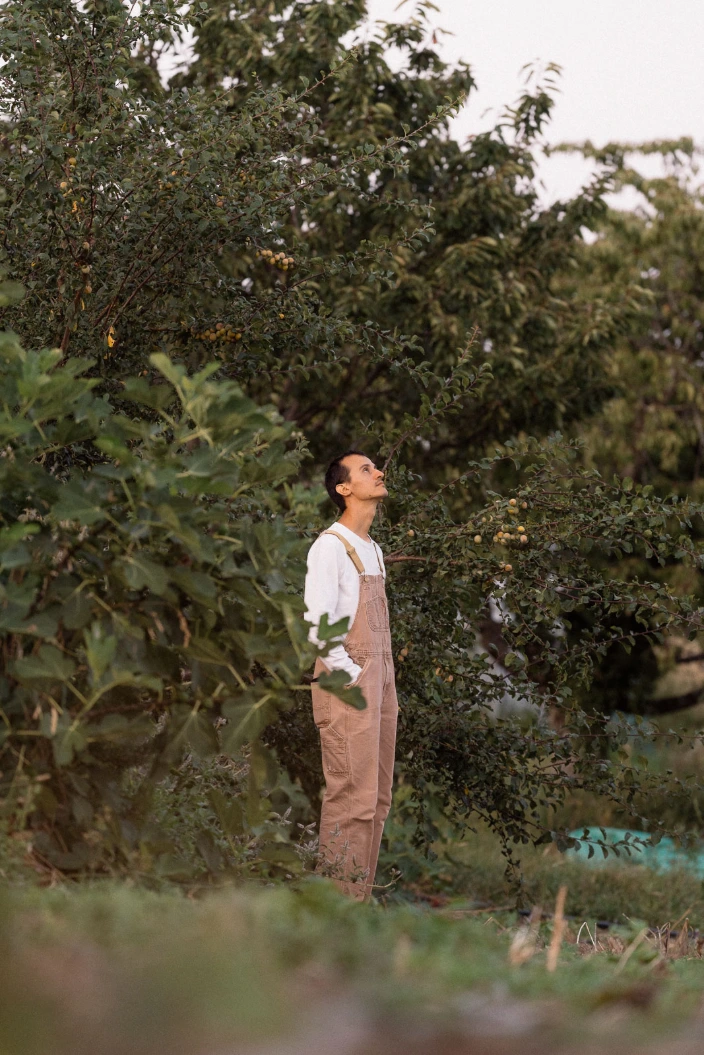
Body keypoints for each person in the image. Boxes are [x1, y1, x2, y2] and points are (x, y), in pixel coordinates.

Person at [304, 450, 398, 901]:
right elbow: (318, 627)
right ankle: (334, 911)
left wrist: (376, 677)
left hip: (381, 681)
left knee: (376, 801)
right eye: (366, 470)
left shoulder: (372, 548)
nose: (378, 472)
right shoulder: (330, 546)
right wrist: (353, 675)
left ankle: (356, 905)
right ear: (344, 489)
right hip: (349, 684)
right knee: (350, 799)